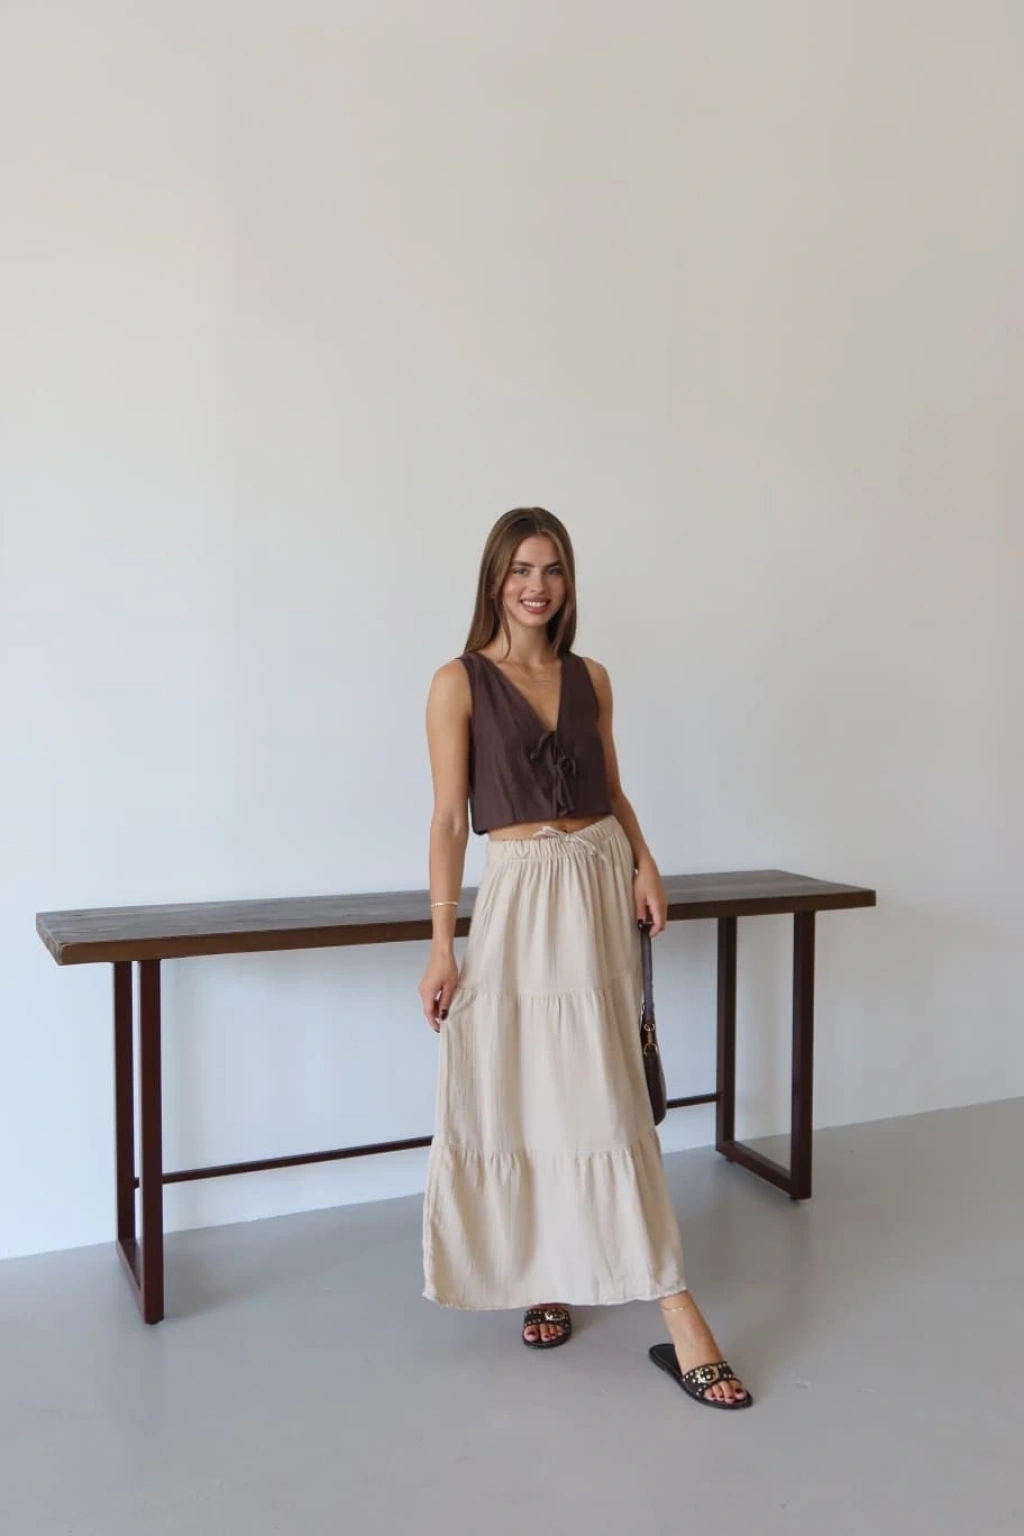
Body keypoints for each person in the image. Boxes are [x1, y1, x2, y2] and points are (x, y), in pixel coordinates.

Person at [417, 508, 751, 1410]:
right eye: (523, 569)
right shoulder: (457, 683)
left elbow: (612, 785)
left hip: (599, 878)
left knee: (604, 1088)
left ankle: (674, 1303)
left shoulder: (590, 675)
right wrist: (443, 944)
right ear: (495, 579)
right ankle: (546, 1271)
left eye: (554, 569)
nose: (539, 586)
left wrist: (644, 861)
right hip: (521, 891)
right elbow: (448, 821)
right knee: (528, 1082)